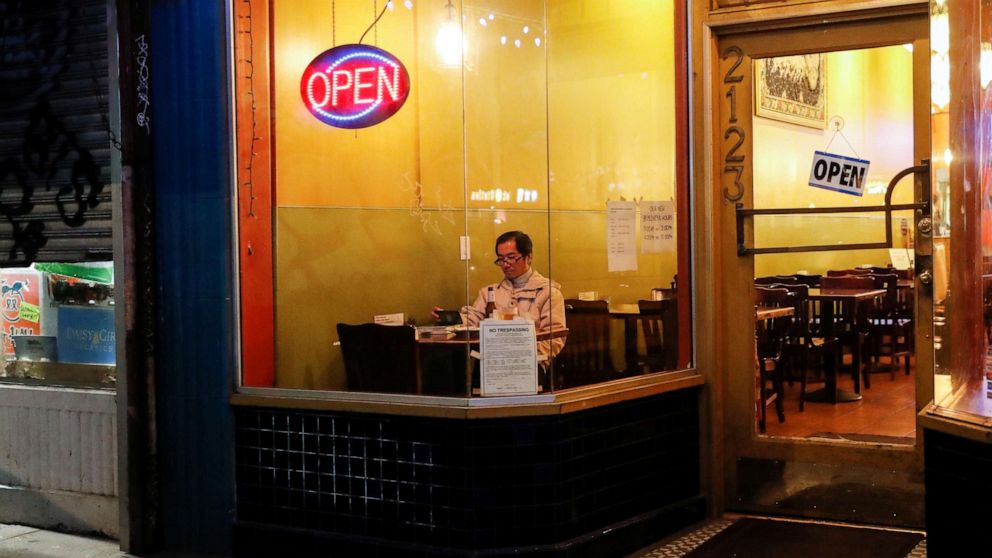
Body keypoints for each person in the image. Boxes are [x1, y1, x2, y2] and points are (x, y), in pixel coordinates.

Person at [433, 231, 566, 359]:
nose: (505, 264)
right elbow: (473, 320)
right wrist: (451, 318)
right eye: (501, 259)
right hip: (493, 361)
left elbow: (556, 337)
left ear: (529, 257)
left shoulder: (548, 292)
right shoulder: (490, 292)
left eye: (511, 258)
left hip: (529, 362)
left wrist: (527, 356)